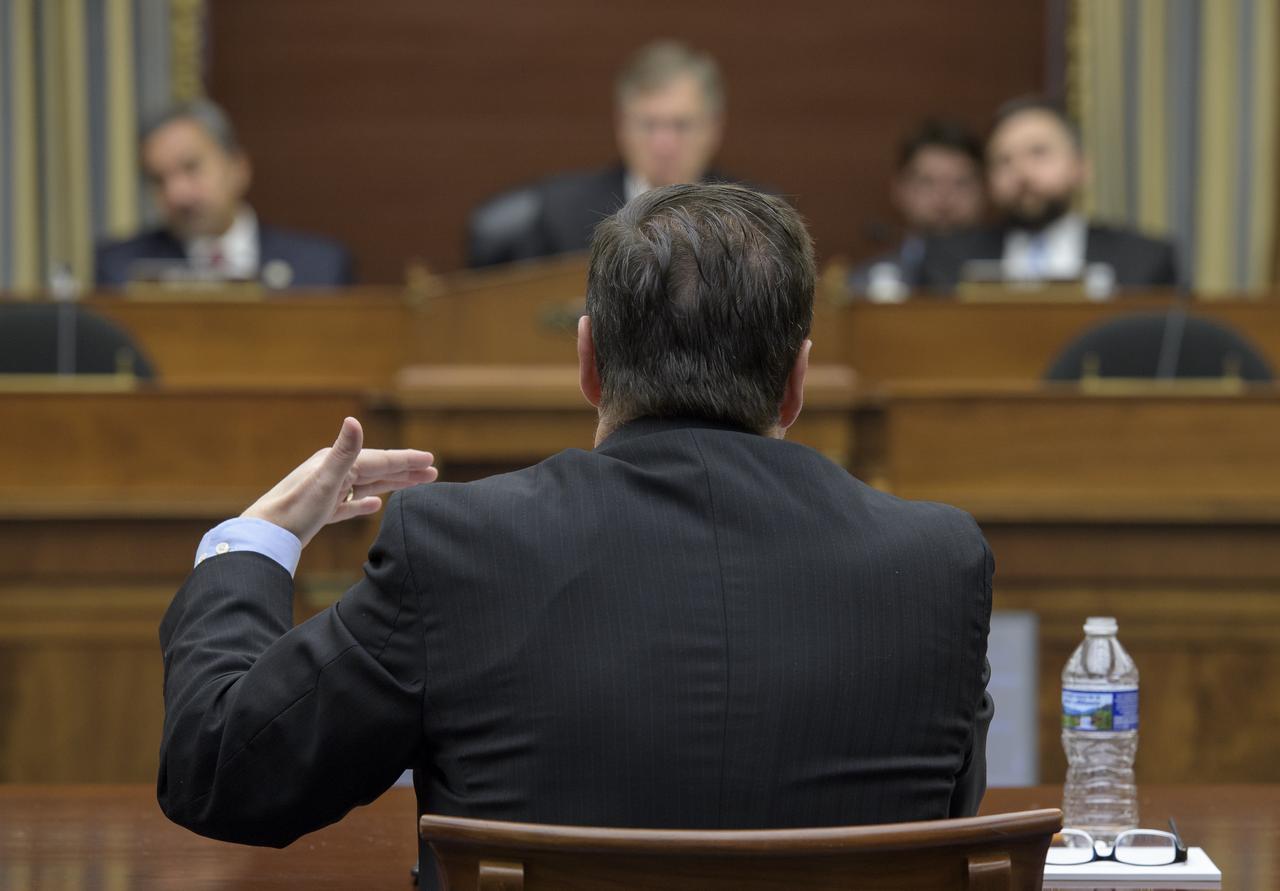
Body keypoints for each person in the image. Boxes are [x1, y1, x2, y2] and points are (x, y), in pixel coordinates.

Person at [158, 184, 994, 890]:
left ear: (588, 360)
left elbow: (223, 772)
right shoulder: (937, 564)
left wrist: (257, 539)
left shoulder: (458, 549)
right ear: (797, 380)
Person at [467, 40, 741, 267]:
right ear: (622, 126)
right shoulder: (560, 217)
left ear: (714, 127)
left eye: (681, 125)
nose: (663, 145)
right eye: (648, 125)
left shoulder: (750, 222)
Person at [918, 97, 1178, 294]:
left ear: (1081, 166)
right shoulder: (948, 261)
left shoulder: (1142, 259)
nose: (1021, 172)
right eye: (1004, 161)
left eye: (1039, 153)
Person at [95, 101, 354, 289]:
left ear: (238, 168)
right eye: (158, 180)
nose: (177, 194)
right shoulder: (122, 269)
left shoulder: (320, 266)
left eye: (191, 167)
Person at [849, 119, 986, 299]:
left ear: (983, 190)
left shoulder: (1008, 275)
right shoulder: (863, 286)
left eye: (960, 183)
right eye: (927, 182)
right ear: (900, 189)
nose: (943, 197)